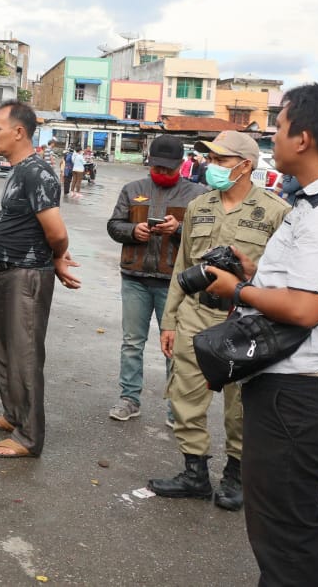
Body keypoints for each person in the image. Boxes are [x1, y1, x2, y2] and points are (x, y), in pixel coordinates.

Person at [201, 84, 318, 582]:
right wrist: (256, 272)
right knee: (293, 527)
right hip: (303, 389)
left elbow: (303, 308)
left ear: (305, 138)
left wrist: (239, 290)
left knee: (283, 534)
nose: (272, 136)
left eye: (279, 126)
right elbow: (307, 287)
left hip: (300, 391)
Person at [147, 130, 289, 510]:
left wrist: (250, 273)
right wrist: (170, 321)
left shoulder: (276, 212)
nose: (213, 167)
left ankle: (236, 475)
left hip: (244, 321)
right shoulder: (199, 205)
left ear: (245, 166)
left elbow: (285, 277)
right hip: (196, 315)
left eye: (222, 161)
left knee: (240, 404)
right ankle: (194, 473)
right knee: (184, 395)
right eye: (211, 160)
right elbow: (183, 266)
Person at [0, 102, 80, 459]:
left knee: (24, 355)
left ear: (18, 132)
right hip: (8, 272)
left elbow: (56, 231)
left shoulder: (38, 172)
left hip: (28, 276)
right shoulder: (20, 170)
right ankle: (13, 416)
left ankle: (28, 437)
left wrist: (57, 257)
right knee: (4, 349)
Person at [104, 135, 207, 422]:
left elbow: (207, 238)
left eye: (168, 169)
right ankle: (129, 399)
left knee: (175, 347)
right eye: (157, 168)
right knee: (132, 342)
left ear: (181, 165)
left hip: (175, 283)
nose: (161, 173)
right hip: (135, 277)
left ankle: (176, 408)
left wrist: (178, 229)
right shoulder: (132, 189)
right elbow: (114, 225)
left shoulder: (198, 195)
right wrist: (132, 231)